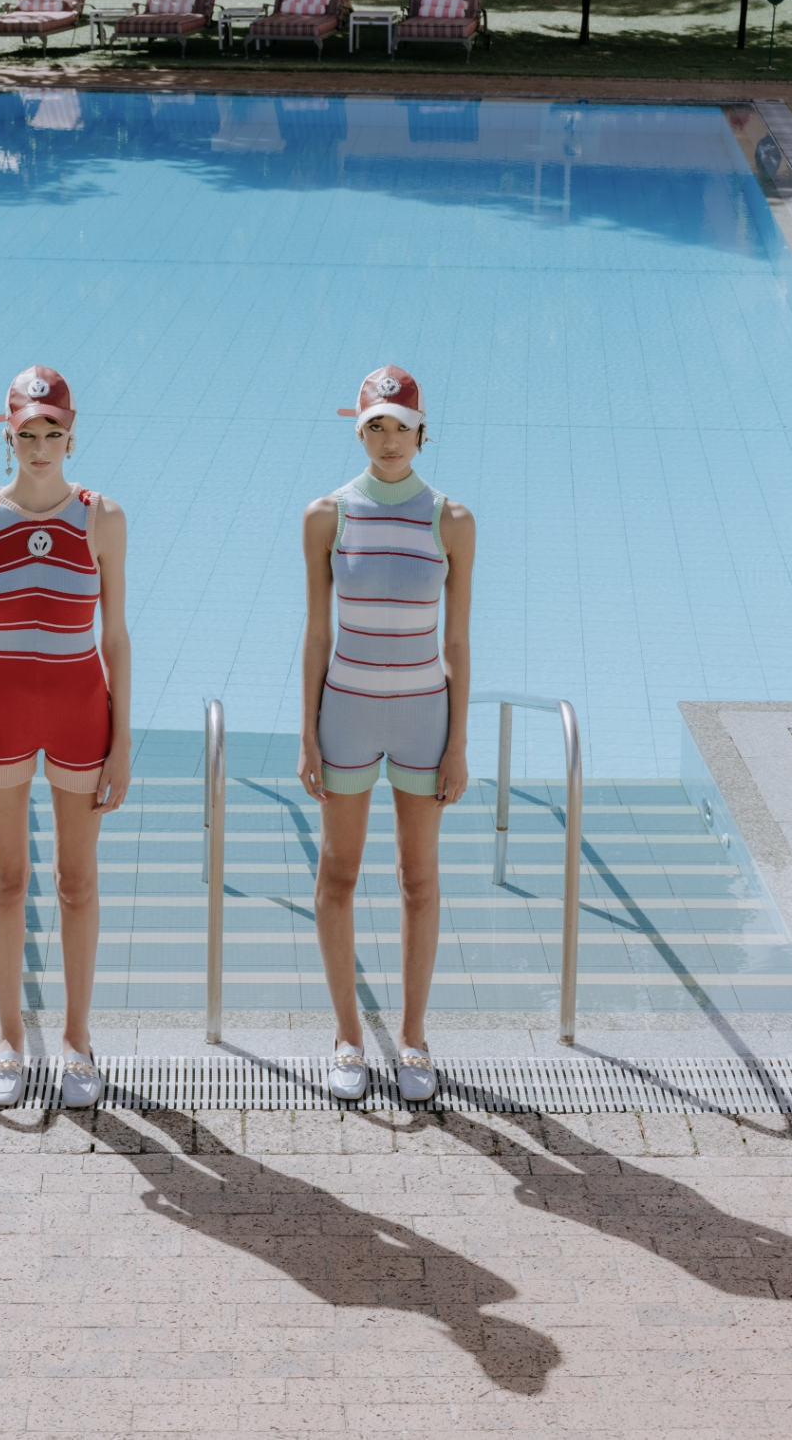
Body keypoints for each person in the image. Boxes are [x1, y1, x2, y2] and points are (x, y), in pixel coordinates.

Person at [0, 365, 131, 1108]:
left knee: (77, 882)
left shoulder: (102, 519)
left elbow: (115, 635)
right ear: (9, 434)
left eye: (53, 432)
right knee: (6, 881)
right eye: (28, 432)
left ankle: (78, 1041)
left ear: (72, 434)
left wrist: (122, 739)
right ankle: (8, 1040)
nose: (41, 445)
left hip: (81, 709)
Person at [297, 366, 475, 1104]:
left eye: (402, 425)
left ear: (423, 432)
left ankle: (412, 1038)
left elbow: (458, 644)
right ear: (360, 430)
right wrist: (307, 733)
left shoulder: (452, 520)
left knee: (418, 880)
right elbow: (315, 632)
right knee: (337, 876)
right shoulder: (328, 514)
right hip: (347, 713)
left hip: (423, 719)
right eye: (377, 425)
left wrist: (458, 742)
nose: (390, 438)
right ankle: (346, 1035)